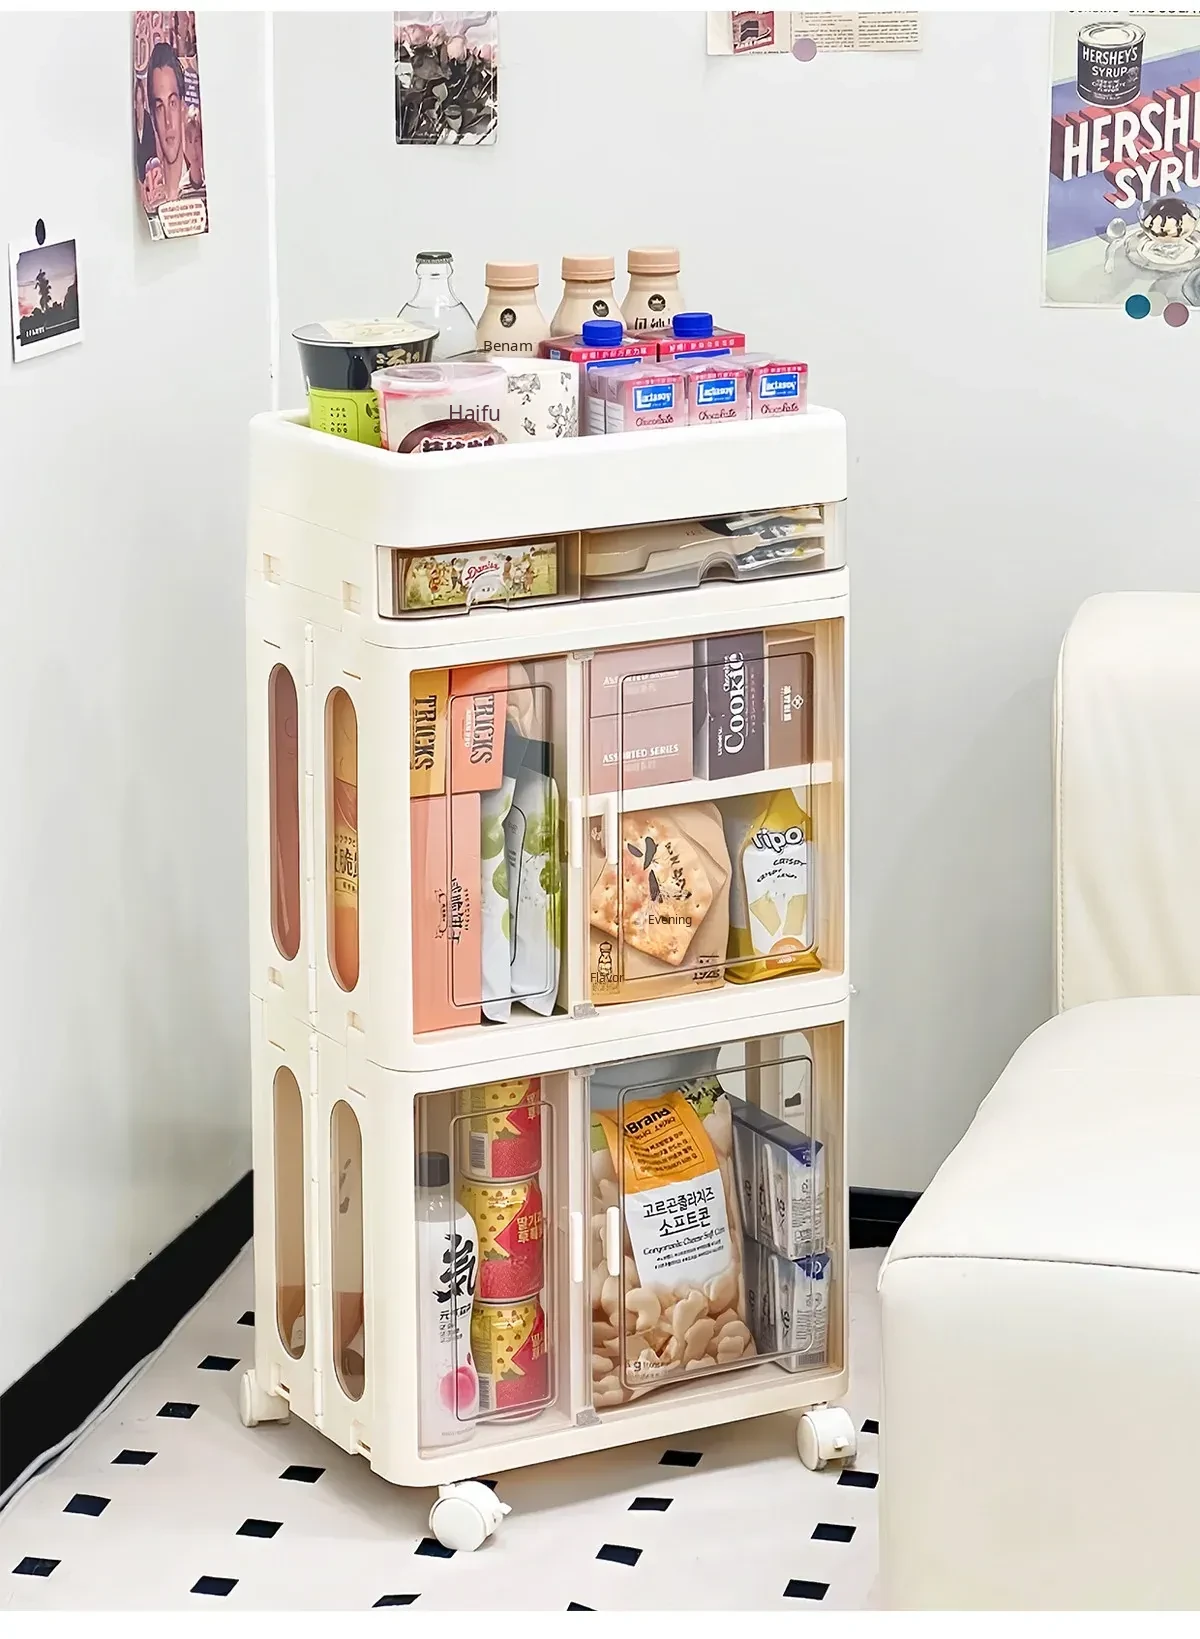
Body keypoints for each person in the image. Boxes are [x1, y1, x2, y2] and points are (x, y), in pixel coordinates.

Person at [147, 39, 190, 201]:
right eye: (160, 107)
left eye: (172, 103)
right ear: (153, 117)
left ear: (182, 108)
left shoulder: (199, 187)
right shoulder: (150, 195)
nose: (168, 122)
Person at [133, 75, 158, 181]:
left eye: (141, 101)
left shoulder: (148, 121)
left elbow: (153, 152)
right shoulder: (131, 120)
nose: (139, 106)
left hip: (148, 178)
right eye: (137, 102)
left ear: (144, 102)